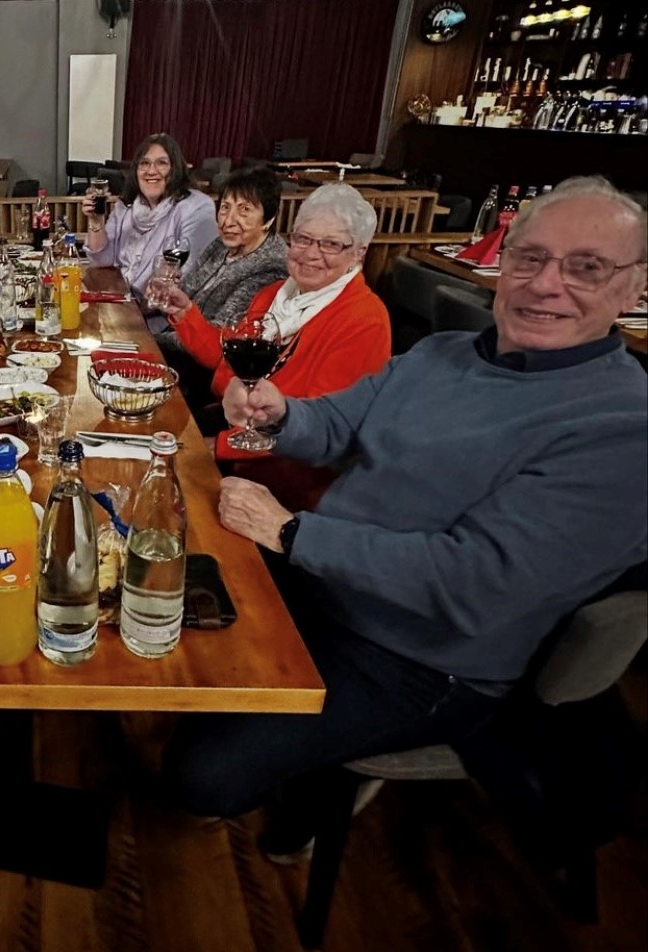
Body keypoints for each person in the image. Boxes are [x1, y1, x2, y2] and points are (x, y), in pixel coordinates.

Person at [163, 176, 647, 857]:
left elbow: (476, 584)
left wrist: (292, 532)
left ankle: (317, 786)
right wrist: (281, 414)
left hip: (418, 655)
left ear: (633, 288)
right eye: (529, 257)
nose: (545, 284)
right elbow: (339, 421)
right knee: (168, 605)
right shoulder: (442, 353)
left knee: (199, 776)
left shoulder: (621, 428)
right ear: (501, 262)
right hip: (323, 577)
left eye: (586, 268)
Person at [162, 183, 391, 511]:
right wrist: (186, 315)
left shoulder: (364, 320)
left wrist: (216, 447)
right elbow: (227, 360)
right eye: (303, 239)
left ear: (358, 252)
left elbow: (319, 432)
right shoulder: (274, 295)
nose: (311, 253)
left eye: (331, 244)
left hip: (284, 482)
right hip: (231, 435)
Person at [151, 166, 289, 402]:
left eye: (244, 210)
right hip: (176, 349)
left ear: (268, 220)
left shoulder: (271, 268)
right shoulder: (220, 246)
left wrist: (149, 339)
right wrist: (165, 294)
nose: (228, 220)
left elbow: (221, 338)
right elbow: (184, 294)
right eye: (225, 207)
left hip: (204, 375)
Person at [82, 133, 218, 296]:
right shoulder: (126, 206)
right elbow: (101, 260)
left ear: (175, 169)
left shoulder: (196, 206)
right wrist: (96, 220)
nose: (151, 171)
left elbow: (192, 273)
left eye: (162, 163)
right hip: (122, 299)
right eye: (144, 163)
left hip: (162, 307)